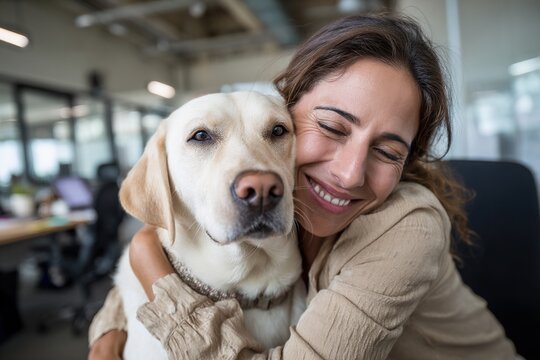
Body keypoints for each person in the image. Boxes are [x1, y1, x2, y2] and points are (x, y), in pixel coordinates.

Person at [88, 13, 518, 360]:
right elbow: (172, 236)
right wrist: (113, 318)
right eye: (331, 127)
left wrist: (149, 263)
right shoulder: (286, 195)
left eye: (388, 152)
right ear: (288, 106)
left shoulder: (407, 228)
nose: (350, 174)